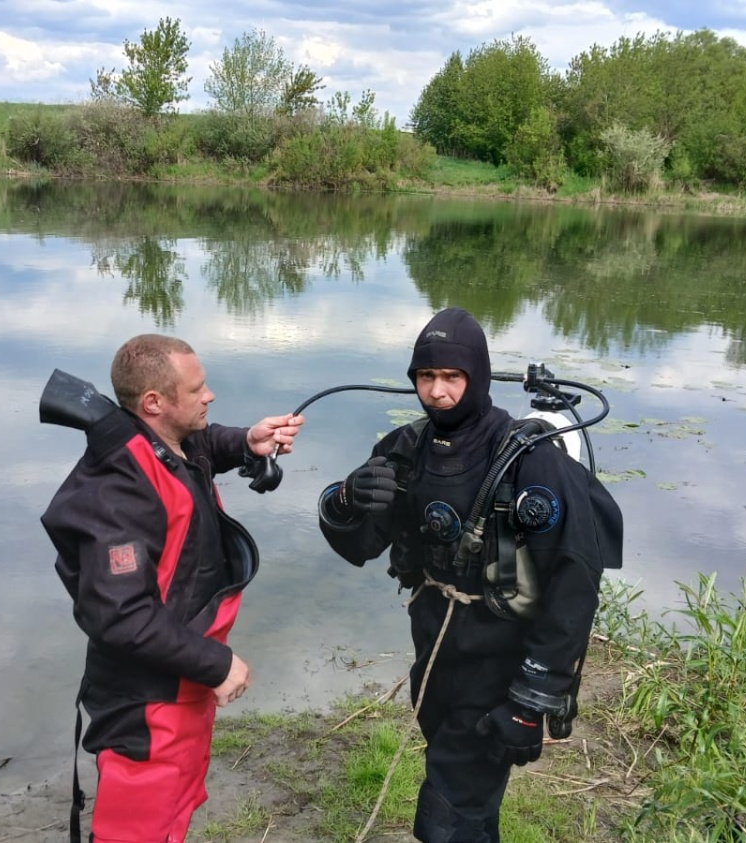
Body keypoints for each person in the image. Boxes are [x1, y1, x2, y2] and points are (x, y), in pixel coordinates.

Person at [316, 307, 623, 842]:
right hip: (435, 652)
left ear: (477, 376)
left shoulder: (528, 460)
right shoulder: (405, 450)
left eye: (451, 377)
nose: (436, 392)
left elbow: (575, 580)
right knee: (469, 800)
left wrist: (533, 695)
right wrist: (344, 499)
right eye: (425, 376)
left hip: (501, 663)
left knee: (447, 815)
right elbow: (362, 546)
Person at [41, 333, 304, 843]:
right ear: (154, 403)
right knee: (136, 831)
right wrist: (217, 664)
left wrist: (247, 442)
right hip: (144, 706)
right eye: (197, 389)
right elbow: (121, 617)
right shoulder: (117, 493)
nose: (210, 396)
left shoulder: (162, 444)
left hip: (181, 686)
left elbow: (198, 446)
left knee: (172, 817)